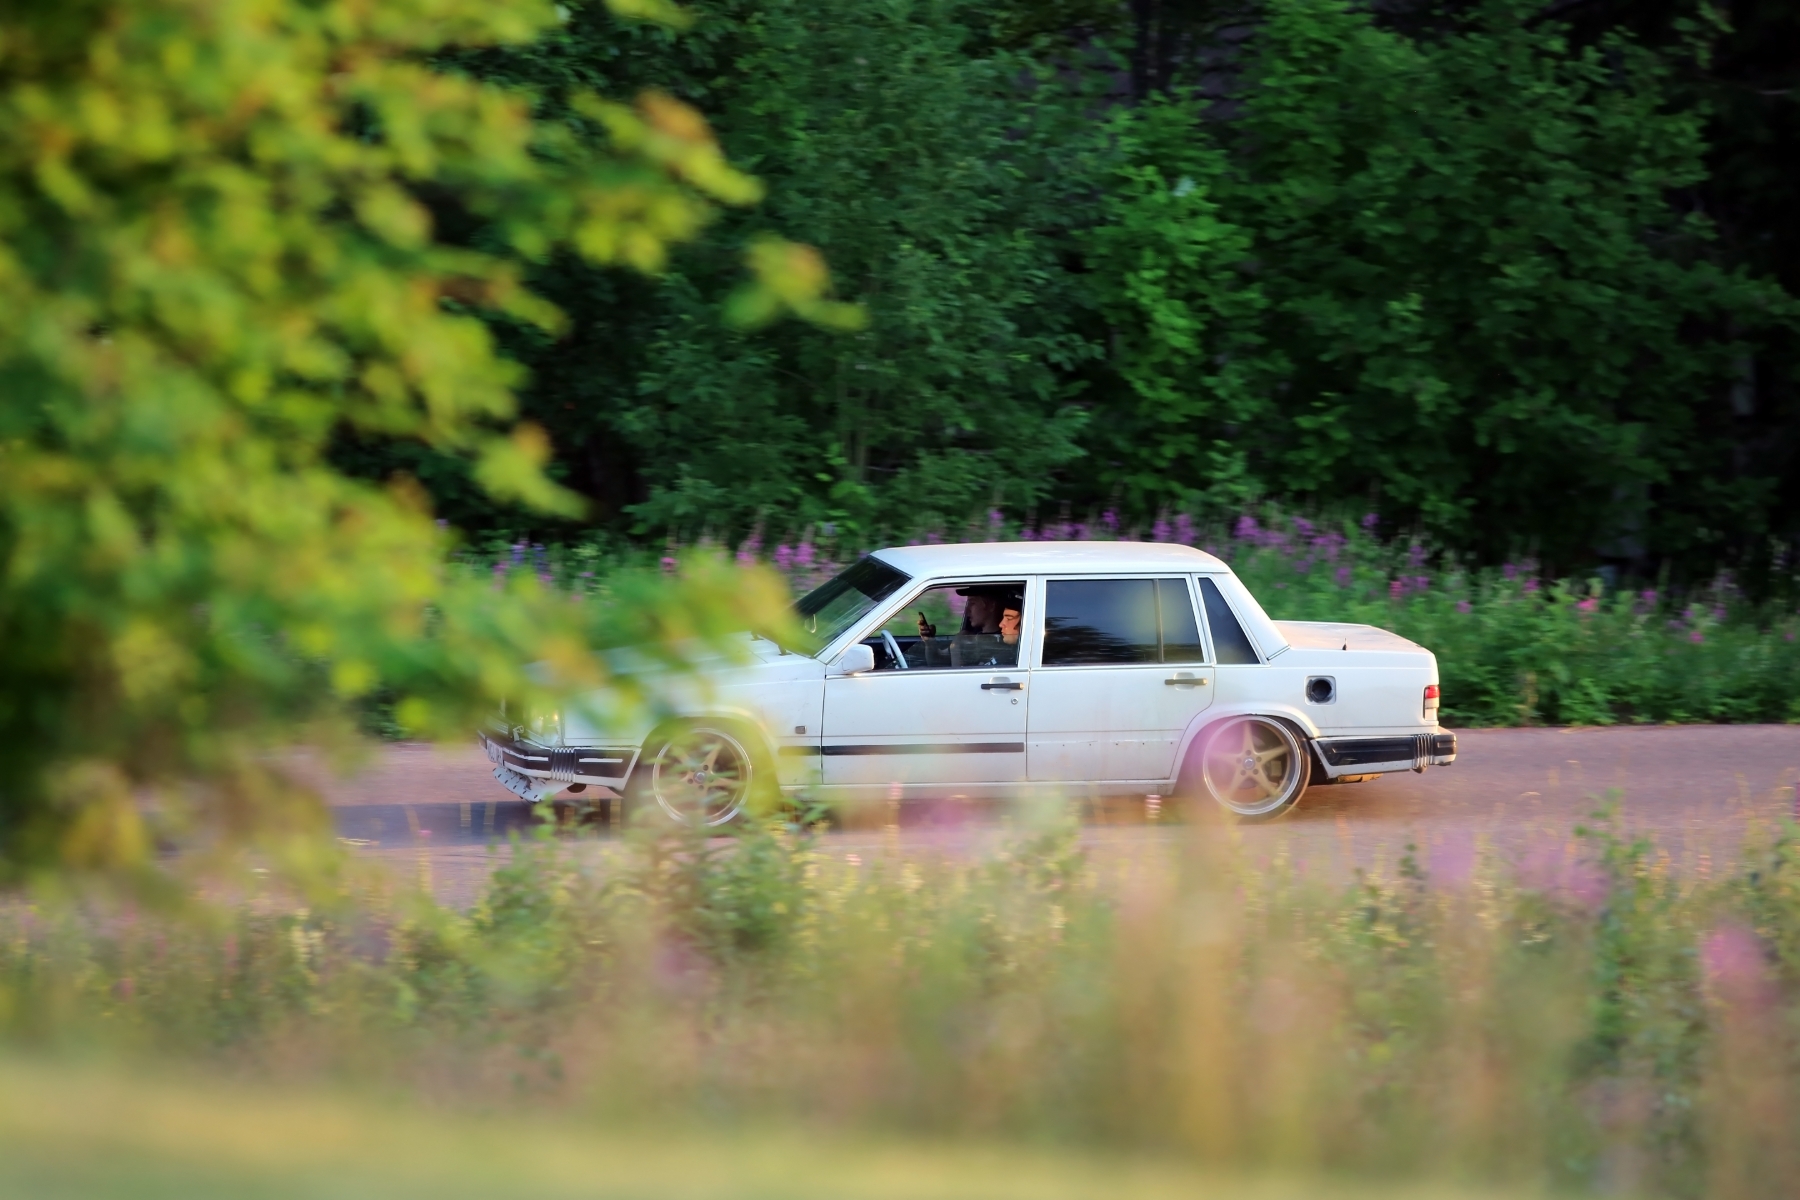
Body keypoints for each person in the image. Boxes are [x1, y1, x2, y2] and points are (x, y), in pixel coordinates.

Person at [918, 586, 1023, 668]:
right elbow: (937, 662)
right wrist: (930, 643)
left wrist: (958, 645)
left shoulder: (1005, 644)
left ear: (991, 606)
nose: (967, 610)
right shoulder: (973, 635)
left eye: (972, 603)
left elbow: (960, 681)